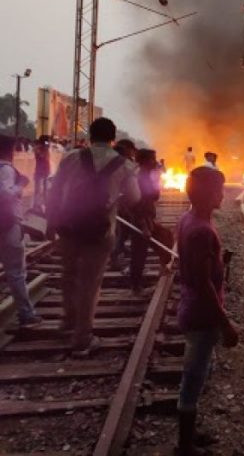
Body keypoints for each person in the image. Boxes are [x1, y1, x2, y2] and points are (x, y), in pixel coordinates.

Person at [47, 118, 140, 357]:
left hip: (68, 226)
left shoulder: (71, 157)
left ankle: (68, 320)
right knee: (90, 283)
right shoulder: (124, 165)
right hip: (100, 230)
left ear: (90, 136)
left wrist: (51, 222)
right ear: (113, 139)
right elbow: (134, 197)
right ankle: (82, 337)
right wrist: (115, 199)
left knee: (68, 274)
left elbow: (54, 192)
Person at [176, 167, 239, 455]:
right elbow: (203, 284)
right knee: (193, 377)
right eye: (219, 190)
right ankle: (184, 445)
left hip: (192, 308)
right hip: (201, 315)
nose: (222, 195)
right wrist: (225, 324)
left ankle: (191, 433)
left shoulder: (189, 218)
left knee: (201, 370)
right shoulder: (202, 231)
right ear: (208, 194)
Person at [0, 135, 42, 327]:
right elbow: (4, 194)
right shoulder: (6, 169)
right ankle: (26, 314)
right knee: (16, 272)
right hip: (7, 225)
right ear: (10, 150)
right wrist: (21, 185)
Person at [128, 149, 161, 294]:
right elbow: (138, 204)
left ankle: (137, 282)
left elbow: (154, 196)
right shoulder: (142, 178)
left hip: (146, 218)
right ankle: (136, 286)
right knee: (138, 253)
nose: (155, 162)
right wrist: (144, 226)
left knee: (141, 252)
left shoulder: (146, 176)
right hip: (141, 219)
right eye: (153, 159)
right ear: (145, 161)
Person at [110, 139, 137, 270]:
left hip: (113, 201)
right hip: (119, 202)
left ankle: (119, 248)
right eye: (131, 150)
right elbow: (132, 191)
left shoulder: (113, 161)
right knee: (120, 231)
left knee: (121, 230)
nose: (132, 152)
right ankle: (114, 257)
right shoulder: (124, 164)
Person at [33, 137, 51, 210]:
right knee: (38, 189)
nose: (48, 143)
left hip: (46, 170)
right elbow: (41, 156)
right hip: (39, 171)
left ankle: (45, 203)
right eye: (47, 141)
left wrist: (46, 147)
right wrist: (44, 147)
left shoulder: (46, 148)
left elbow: (46, 158)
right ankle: (36, 205)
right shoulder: (38, 148)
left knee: (46, 189)